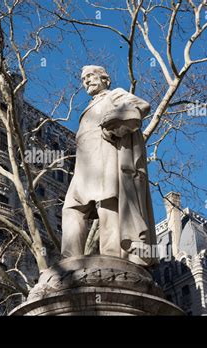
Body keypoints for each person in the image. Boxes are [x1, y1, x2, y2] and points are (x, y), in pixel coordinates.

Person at [61, 65, 157, 267]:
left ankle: (113, 259)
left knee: (107, 205)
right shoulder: (89, 105)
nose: (86, 81)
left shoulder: (115, 95)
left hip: (106, 159)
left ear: (105, 79)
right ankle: (69, 263)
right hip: (83, 167)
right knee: (71, 208)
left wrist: (117, 123)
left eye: (91, 76)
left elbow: (142, 106)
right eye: (84, 78)